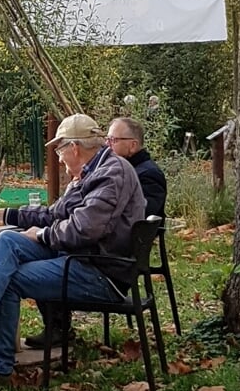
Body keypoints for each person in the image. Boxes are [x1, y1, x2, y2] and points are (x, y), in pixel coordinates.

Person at [0, 114, 147, 389]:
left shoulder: (112, 173)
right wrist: (4, 214)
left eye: (59, 150)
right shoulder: (91, 173)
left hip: (100, 272)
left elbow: (83, 229)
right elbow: (53, 214)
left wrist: (43, 235)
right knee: (8, 241)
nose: (58, 159)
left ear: (74, 147)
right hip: (80, 259)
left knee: (7, 278)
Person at [25, 116, 168, 350]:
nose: (107, 145)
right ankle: (58, 327)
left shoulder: (140, 173)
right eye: (107, 138)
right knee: (49, 250)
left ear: (133, 145)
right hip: (105, 255)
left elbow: (134, 219)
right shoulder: (102, 171)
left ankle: (42, 335)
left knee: (35, 263)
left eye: (113, 139)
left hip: (111, 260)